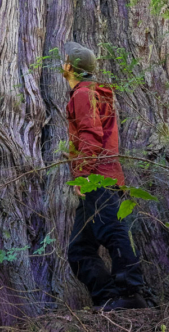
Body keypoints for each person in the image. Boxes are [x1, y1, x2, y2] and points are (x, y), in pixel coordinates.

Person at [63, 41, 147, 311]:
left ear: (70, 67)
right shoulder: (94, 93)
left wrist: (82, 174)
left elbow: (91, 135)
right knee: (79, 250)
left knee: (113, 232)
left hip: (98, 178)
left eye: (64, 60)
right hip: (102, 177)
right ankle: (109, 298)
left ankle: (130, 293)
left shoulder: (83, 94)